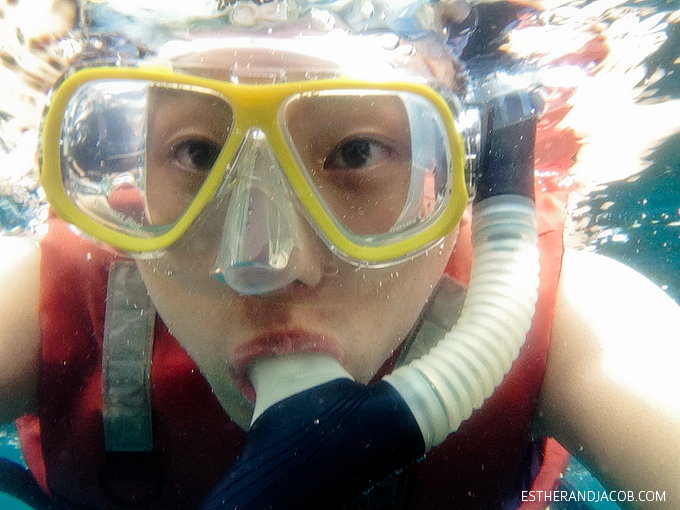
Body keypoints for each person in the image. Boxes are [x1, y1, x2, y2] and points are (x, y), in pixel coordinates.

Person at [0, 0, 679, 509]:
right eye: (199, 154)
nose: (267, 264)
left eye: (356, 152)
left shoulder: (558, 315)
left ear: (454, 186)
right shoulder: (42, 304)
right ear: (134, 185)